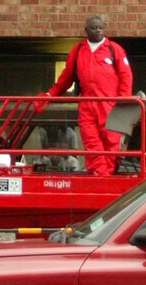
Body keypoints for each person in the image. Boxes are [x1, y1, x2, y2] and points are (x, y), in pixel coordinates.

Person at [50, 15, 133, 177]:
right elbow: (66, 77)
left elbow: (126, 76)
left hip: (110, 104)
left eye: (101, 27)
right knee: (91, 142)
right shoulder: (79, 50)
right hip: (87, 104)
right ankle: (101, 176)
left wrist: (123, 101)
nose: (98, 30)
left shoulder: (114, 49)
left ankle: (105, 176)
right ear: (86, 30)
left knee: (112, 141)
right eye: (94, 28)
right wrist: (50, 94)